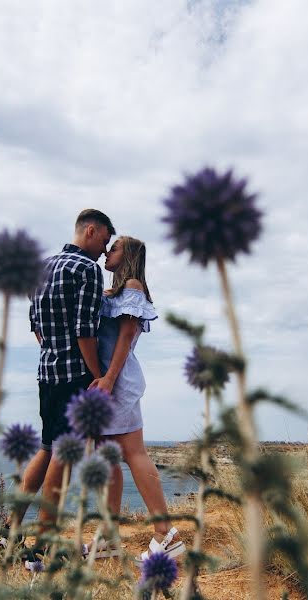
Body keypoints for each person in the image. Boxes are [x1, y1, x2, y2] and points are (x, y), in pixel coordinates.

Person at [15, 209, 115, 534]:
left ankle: (13, 526)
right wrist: (98, 375)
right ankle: (44, 539)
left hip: (47, 373)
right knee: (64, 452)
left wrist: (53, 351)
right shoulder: (87, 269)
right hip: (76, 378)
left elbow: (37, 328)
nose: (104, 250)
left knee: (46, 449)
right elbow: (84, 332)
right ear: (90, 230)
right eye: (104, 240)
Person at [89, 235, 185, 561]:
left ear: (127, 254)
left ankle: (165, 532)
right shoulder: (113, 292)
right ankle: (108, 535)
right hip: (107, 383)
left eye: (113, 247)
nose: (107, 251)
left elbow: (127, 336)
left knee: (133, 453)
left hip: (116, 382)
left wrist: (109, 380)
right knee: (107, 458)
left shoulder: (132, 286)